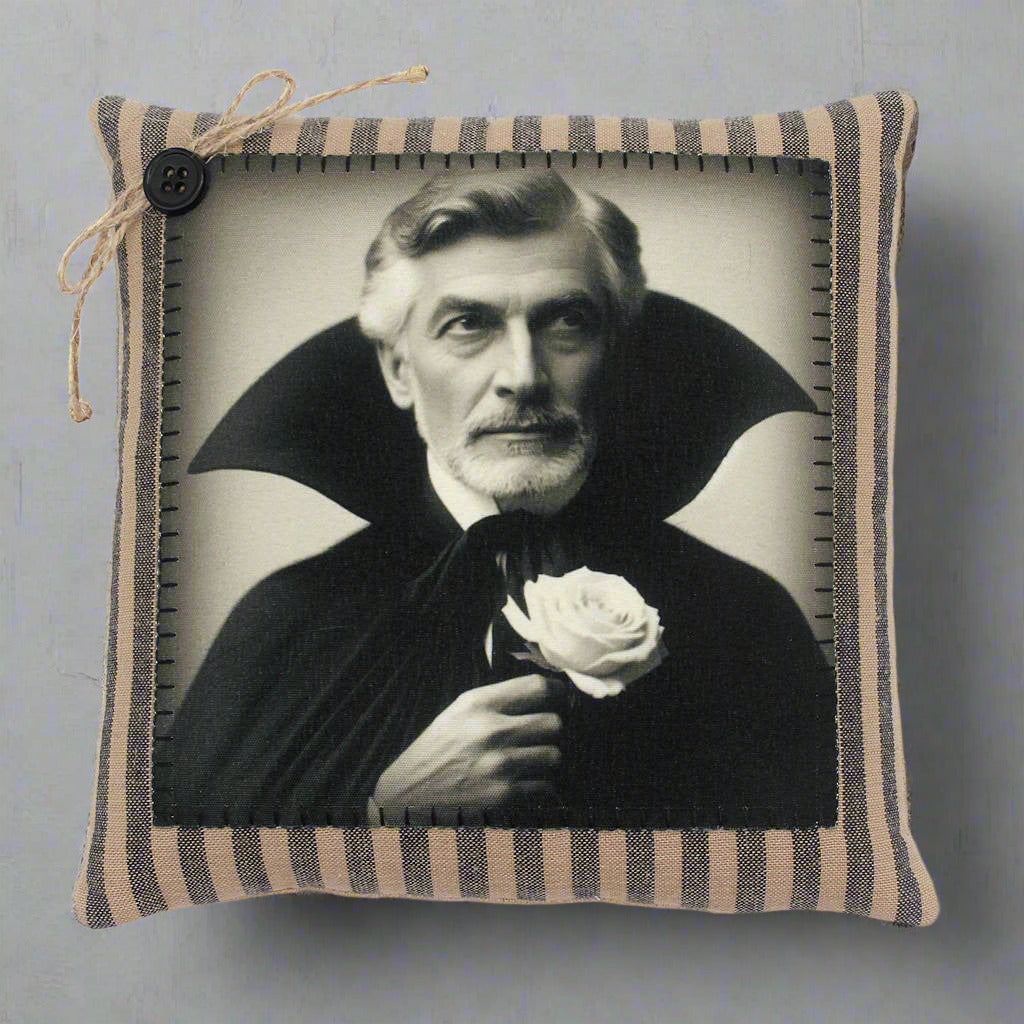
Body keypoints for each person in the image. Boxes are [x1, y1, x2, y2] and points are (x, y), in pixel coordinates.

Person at [161, 169, 837, 830]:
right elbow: (205, 863)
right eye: (467, 324)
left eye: (566, 321)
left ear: (616, 350)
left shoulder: (743, 614)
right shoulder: (291, 621)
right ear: (400, 371)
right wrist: (380, 817)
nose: (523, 376)